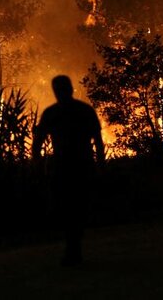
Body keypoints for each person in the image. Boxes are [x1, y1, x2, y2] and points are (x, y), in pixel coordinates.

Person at [32, 75, 105, 266]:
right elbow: (98, 141)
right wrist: (100, 166)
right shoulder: (80, 111)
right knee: (72, 208)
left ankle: (73, 249)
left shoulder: (54, 113)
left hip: (72, 167)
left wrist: (37, 164)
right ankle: (74, 248)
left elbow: (37, 144)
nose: (60, 93)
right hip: (73, 166)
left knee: (73, 208)